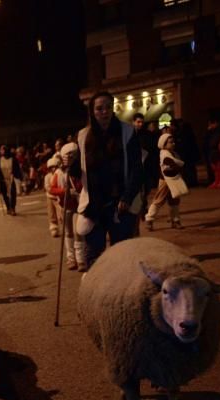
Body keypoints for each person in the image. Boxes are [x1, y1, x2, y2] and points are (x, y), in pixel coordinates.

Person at [72, 91, 144, 268]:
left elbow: (137, 168)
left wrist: (127, 197)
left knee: (122, 257)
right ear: (92, 111)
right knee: (94, 258)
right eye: (99, 108)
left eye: (108, 107)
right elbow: (76, 170)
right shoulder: (82, 136)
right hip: (93, 205)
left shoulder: (127, 132)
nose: (104, 112)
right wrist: (68, 161)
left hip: (120, 205)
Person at [49, 142, 85, 270]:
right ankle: (71, 259)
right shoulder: (59, 173)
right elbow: (52, 189)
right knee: (68, 232)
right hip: (66, 206)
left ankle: (81, 259)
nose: (68, 159)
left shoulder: (82, 171)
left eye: (71, 156)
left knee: (78, 232)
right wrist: (65, 191)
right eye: (66, 156)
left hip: (79, 206)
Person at [145, 133, 187, 230]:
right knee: (159, 200)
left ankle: (175, 220)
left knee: (174, 201)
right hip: (165, 180)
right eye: (170, 142)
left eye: (173, 141)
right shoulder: (164, 153)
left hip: (174, 179)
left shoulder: (173, 153)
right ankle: (149, 219)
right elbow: (170, 162)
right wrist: (180, 165)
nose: (173, 143)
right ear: (164, 144)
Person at [0, 145, 21, 215]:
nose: (1, 151)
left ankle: (12, 208)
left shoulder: (13, 159)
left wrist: (17, 176)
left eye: (2, 150)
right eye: (1, 150)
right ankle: (8, 208)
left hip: (11, 179)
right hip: (3, 180)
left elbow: (17, 168)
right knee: (5, 195)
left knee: (12, 194)